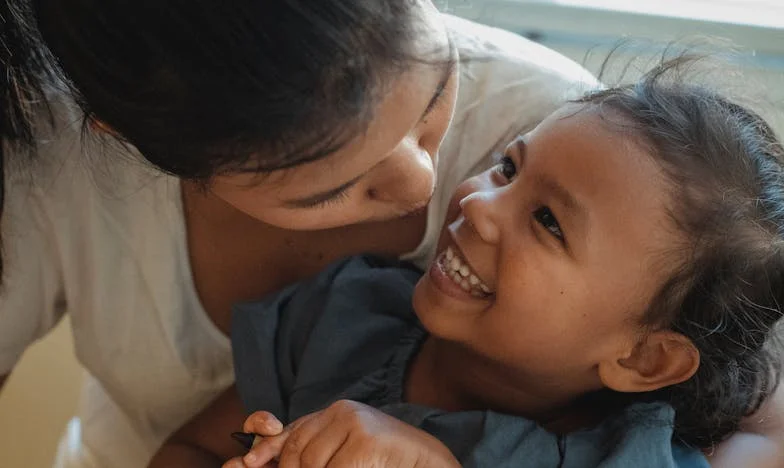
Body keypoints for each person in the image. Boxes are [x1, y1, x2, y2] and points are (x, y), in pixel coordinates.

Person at [0, 1, 600, 467]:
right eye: (331, 189)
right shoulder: (42, 154)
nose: (428, 189)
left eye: (436, 91)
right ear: (130, 139)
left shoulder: (574, 145)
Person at [148, 57, 784, 468]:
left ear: (643, 358)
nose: (480, 204)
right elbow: (187, 450)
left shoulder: (629, 459)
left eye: (548, 222)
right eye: (508, 167)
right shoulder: (340, 323)